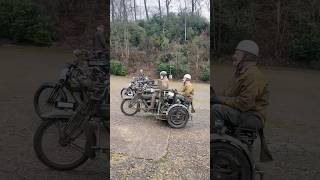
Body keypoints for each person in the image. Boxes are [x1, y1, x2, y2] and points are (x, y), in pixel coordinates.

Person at [212, 40, 273, 162]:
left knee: (215, 110)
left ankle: (215, 149)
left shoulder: (252, 75)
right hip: (245, 112)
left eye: (237, 54)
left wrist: (218, 99)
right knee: (213, 104)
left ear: (246, 57)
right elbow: (229, 95)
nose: (233, 56)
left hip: (251, 115)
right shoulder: (241, 73)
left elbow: (245, 104)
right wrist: (215, 96)